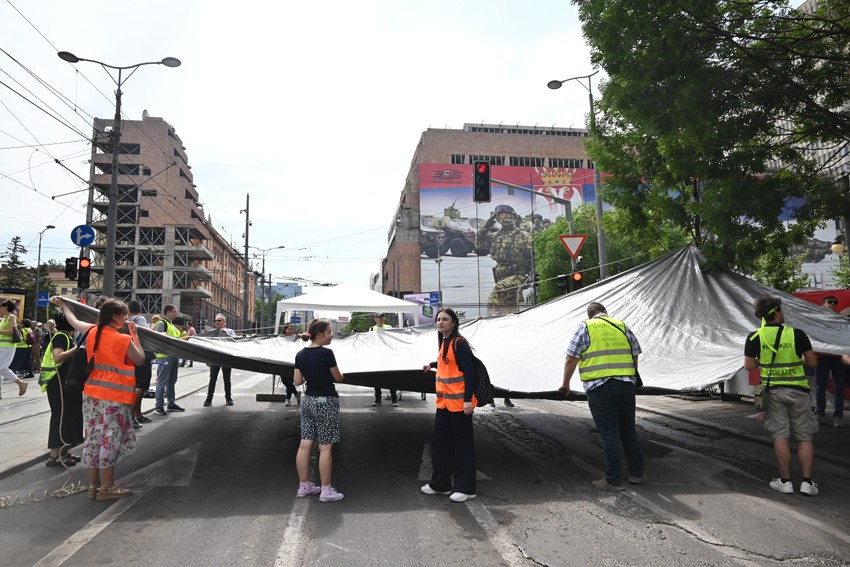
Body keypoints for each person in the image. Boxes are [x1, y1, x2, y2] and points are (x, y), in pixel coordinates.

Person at [51, 296, 145, 500]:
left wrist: (64, 305)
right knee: (109, 439)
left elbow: (73, 320)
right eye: (124, 315)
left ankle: (93, 486)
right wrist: (134, 335)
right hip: (114, 396)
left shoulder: (93, 331)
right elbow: (140, 359)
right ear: (115, 317)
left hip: (92, 394)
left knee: (93, 437)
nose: (127, 318)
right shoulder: (122, 339)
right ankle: (108, 487)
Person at [560, 301, 646, 491]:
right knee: (628, 430)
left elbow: (571, 358)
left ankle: (613, 480)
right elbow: (635, 353)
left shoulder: (585, 327)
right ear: (605, 312)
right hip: (625, 386)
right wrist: (631, 375)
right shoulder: (621, 325)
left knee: (609, 434)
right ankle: (637, 474)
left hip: (600, 387)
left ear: (590, 314)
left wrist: (565, 383)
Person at [744, 295, 819, 496]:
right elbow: (812, 363)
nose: (783, 313)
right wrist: (797, 361)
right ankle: (807, 483)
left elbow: (749, 365)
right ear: (776, 312)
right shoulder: (797, 334)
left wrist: (766, 361)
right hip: (799, 391)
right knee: (804, 436)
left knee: (780, 435)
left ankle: (785, 482)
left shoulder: (754, 337)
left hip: (773, 392)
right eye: (781, 310)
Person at [420, 307, 478, 503]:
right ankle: (441, 484)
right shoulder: (445, 342)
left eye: (444, 319)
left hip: (461, 404)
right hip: (444, 403)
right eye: (438, 320)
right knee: (441, 444)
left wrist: (468, 399)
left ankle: (466, 488)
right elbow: (448, 364)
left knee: (463, 446)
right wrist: (432, 364)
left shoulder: (460, 343)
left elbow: (469, 372)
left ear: (453, 322)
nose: (440, 322)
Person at [293, 319, 345, 502]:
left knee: (304, 444)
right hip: (326, 401)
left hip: (308, 401)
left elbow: (297, 382)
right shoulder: (327, 353)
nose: (332, 335)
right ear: (320, 334)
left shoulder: (300, 354)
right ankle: (326, 491)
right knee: (325, 448)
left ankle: (304, 486)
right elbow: (338, 377)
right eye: (330, 332)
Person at [40, 312, 84, 467]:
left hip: (62, 382)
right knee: (60, 416)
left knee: (66, 417)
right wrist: (78, 349)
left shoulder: (65, 337)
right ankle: (54, 455)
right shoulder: (61, 337)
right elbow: (58, 357)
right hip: (57, 382)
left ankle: (62, 452)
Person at [815, 295, 844, 428]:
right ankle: (820, 414)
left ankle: (838, 417)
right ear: (822, 304)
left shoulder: (840, 319)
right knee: (820, 387)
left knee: (839, 388)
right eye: (830, 302)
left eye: (835, 302)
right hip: (823, 357)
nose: (833, 304)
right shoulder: (817, 319)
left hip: (838, 358)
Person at [153, 304, 184, 415]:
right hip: (165, 357)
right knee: (162, 382)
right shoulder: (161, 323)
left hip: (173, 357)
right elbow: (158, 339)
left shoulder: (171, 325)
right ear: (168, 312)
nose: (176, 313)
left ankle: (171, 404)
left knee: (171, 382)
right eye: (175, 311)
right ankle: (158, 407)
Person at [127, 301, 154, 428]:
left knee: (136, 386)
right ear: (140, 309)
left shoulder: (127, 320)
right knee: (141, 386)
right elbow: (144, 333)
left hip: (131, 356)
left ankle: (137, 414)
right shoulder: (140, 318)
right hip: (143, 355)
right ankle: (131, 416)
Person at [200, 314, 236, 407]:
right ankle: (208, 399)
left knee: (227, 379)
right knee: (212, 379)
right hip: (215, 358)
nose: (217, 322)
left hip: (226, 358)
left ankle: (228, 398)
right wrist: (207, 359)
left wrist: (226, 334)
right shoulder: (212, 332)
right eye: (216, 321)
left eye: (219, 320)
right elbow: (207, 346)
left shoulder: (230, 331)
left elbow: (235, 342)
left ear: (224, 322)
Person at [0, 299, 28, 398]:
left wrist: (0, 331)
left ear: (6, 307)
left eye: (1, 307)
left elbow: (12, 331)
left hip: (8, 346)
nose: (0, 309)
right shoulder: (3, 319)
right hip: (1, 346)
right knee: (0, 369)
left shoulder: (12, 317)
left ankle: (20, 383)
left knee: (2, 368)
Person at [370, 313, 398, 407]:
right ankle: (378, 400)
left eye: (382, 317)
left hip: (388, 357)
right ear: (375, 319)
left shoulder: (389, 327)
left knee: (391, 379)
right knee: (376, 379)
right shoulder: (371, 329)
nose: (381, 318)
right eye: (379, 317)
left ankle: (394, 400)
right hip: (377, 358)